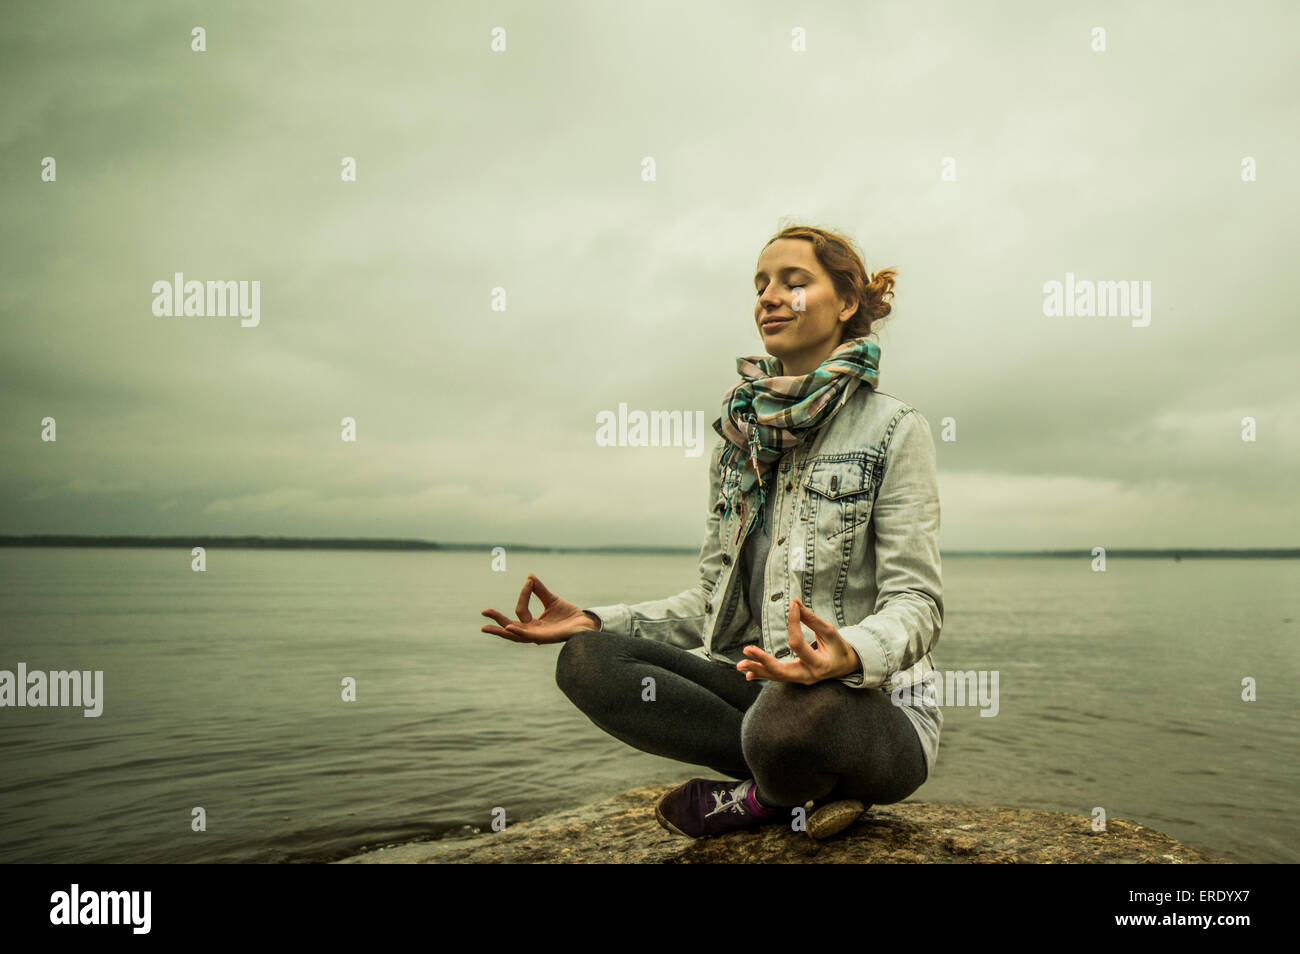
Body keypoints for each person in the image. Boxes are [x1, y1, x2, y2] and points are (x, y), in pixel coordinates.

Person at [481, 225, 944, 840]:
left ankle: (765, 797)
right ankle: (792, 788)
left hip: (871, 712)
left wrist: (848, 653)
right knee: (588, 662)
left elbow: (918, 604)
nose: (769, 298)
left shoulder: (894, 429)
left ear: (848, 303)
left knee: (788, 713)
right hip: (760, 694)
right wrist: (596, 619)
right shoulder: (739, 442)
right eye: (761, 285)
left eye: (793, 282)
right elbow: (708, 601)